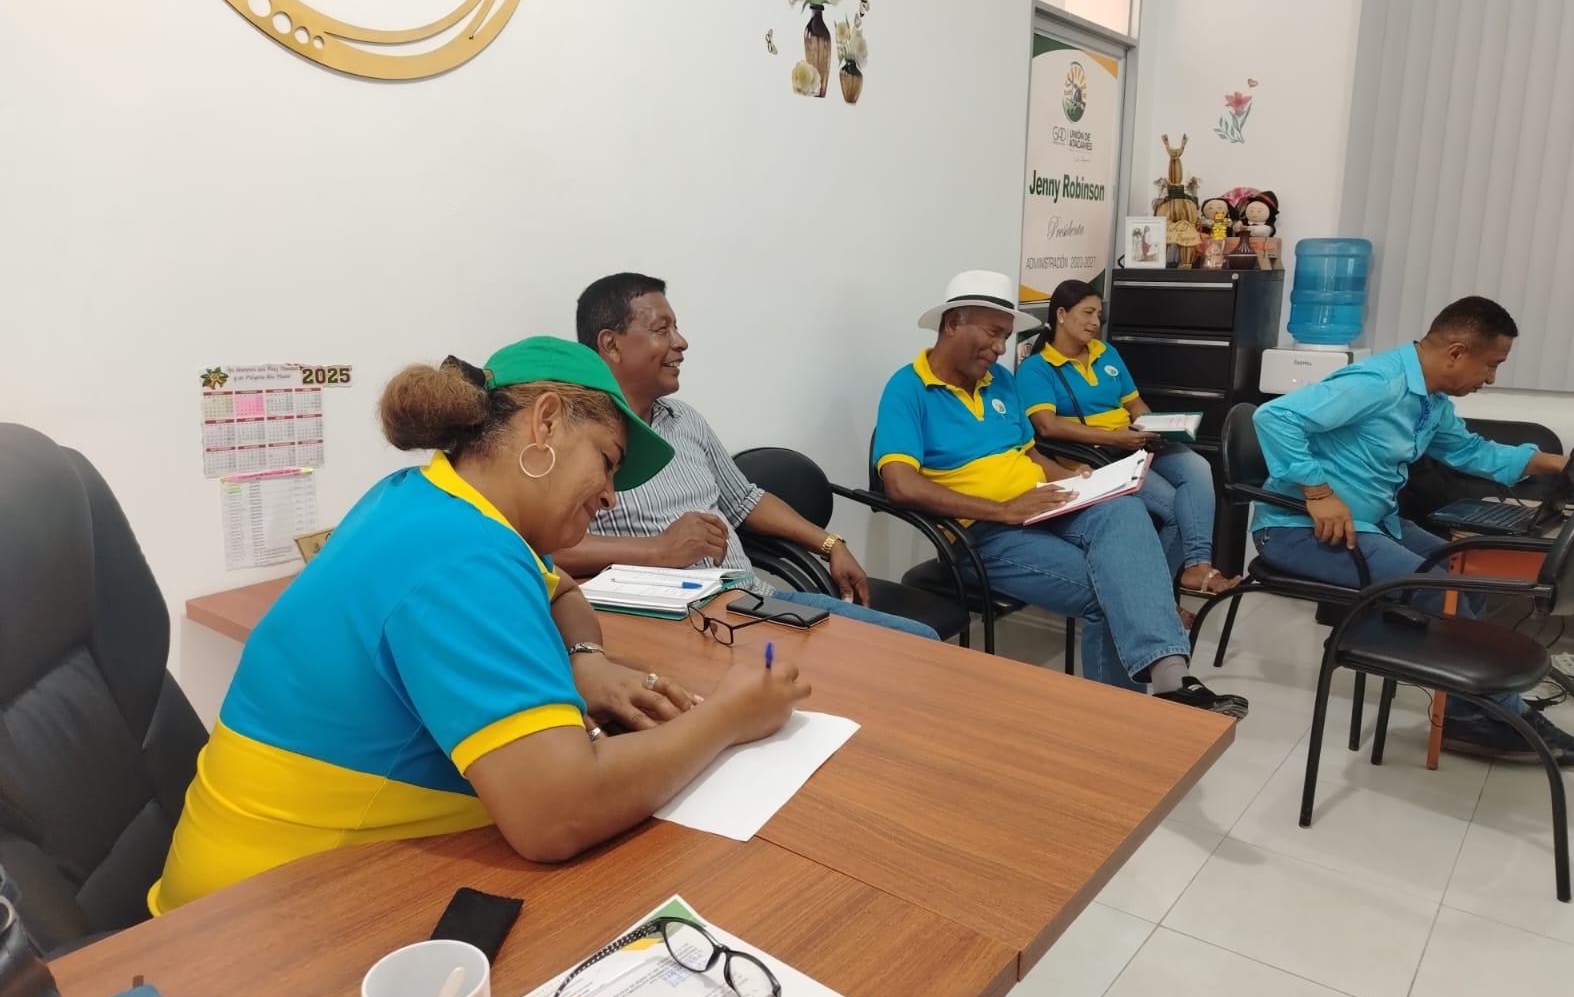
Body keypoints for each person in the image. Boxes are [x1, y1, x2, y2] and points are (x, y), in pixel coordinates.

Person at [150, 337, 810, 913]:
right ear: (546, 422)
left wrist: (585, 660)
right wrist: (727, 717)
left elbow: (561, 589)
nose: (612, 496)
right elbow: (558, 814)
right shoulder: (462, 556)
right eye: (607, 461)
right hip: (253, 930)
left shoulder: (425, 497)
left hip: (260, 884)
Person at [873, 270, 1249, 717]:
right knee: (1111, 591)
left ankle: (1170, 680)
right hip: (982, 533)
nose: (1000, 348)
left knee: (1125, 508)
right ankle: (1122, 720)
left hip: (1042, 505)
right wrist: (1003, 510)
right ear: (953, 323)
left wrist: (1076, 482)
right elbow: (900, 485)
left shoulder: (1000, 381)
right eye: (993, 333)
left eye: (1005, 337)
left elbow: (1029, 453)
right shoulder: (907, 389)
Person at [1252, 296, 1574, 765]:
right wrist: (1317, 492)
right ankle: (1493, 714)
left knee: (1465, 574)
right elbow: (1275, 417)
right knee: (1439, 588)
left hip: (1375, 525)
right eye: (1491, 365)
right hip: (1295, 529)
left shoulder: (1430, 400)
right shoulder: (1379, 383)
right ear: (1456, 352)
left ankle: (1467, 708)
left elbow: (1472, 452)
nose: (1490, 379)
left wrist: (1564, 462)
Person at [560, 272, 940, 641]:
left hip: (753, 603)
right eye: (662, 329)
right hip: (676, 627)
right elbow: (549, 550)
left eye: (676, 328)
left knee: (919, 642)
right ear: (611, 345)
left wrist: (830, 544)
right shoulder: (576, 436)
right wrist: (659, 550)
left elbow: (745, 501)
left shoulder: (684, 419)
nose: (681, 342)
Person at [1016, 278, 1241, 595]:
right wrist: (1114, 438)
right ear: (1062, 315)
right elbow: (1047, 427)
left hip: (1132, 442)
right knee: (1175, 507)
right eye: (1088, 313)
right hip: (1096, 456)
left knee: (1198, 467)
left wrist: (1150, 426)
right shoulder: (1037, 368)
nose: (1095, 322)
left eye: (1099, 315)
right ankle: (1157, 597)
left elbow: (1134, 403)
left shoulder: (1105, 352)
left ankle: (1197, 565)